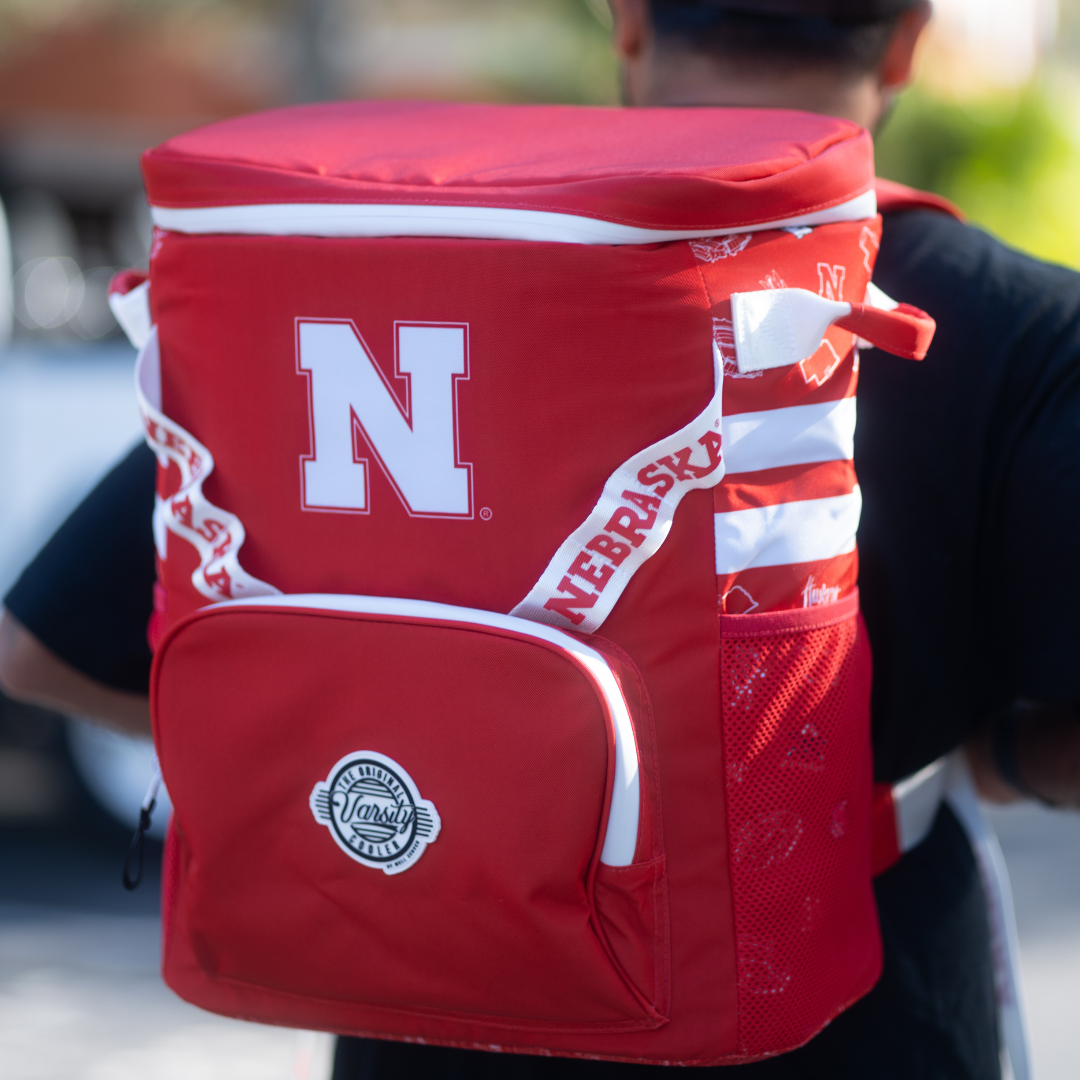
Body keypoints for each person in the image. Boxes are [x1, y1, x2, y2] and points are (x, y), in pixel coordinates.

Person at [3, 1, 1080, 1076]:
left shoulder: (382, 271)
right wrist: (1007, 762)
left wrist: (425, 781)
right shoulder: (1018, 324)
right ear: (907, 41)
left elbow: (38, 649)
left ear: (627, 23)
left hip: (425, 989)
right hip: (835, 1010)